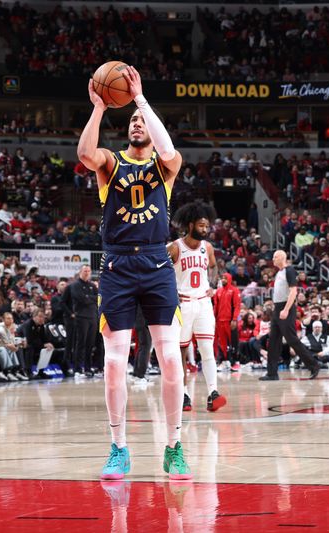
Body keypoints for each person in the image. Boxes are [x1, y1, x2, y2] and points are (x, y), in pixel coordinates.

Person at [77, 65, 192, 480]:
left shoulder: (166, 166)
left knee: (170, 359)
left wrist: (141, 100)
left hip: (158, 264)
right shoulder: (111, 163)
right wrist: (98, 108)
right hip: (118, 264)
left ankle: (174, 446)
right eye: (132, 121)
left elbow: (168, 150)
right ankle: (118, 447)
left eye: (141, 120)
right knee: (113, 362)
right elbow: (85, 155)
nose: (137, 124)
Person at [168, 201, 225, 412]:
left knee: (207, 348)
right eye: (202, 226)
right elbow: (160, 274)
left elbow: (213, 267)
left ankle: (213, 392)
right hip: (182, 303)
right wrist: (170, 294)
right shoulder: (174, 247)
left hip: (203, 303)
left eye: (207, 226)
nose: (205, 229)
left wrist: (213, 285)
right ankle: (183, 394)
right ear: (190, 225)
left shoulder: (207, 247)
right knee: (181, 350)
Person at [261, 250, 321, 380]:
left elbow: (293, 292)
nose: (273, 259)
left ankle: (313, 365)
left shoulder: (289, 270)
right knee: (273, 341)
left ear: (282, 257)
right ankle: (272, 373)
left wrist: (286, 309)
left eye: (275, 257)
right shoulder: (279, 273)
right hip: (277, 308)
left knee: (292, 339)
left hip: (285, 308)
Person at [66, 265, 99, 376]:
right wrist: (90, 298)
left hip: (93, 317)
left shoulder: (92, 285)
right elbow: (79, 298)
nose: (87, 273)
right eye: (85, 271)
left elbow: (98, 298)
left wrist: (88, 298)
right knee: (80, 344)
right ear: (80, 272)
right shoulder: (74, 285)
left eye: (88, 271)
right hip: (81, 317)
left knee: (90, 344)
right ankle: (77, 369)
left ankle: (88, 368)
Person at [213, 273, 240, 371]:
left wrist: (234, 319)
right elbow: (216, 306)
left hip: (230, 321)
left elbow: (237, 306)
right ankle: (224, 362)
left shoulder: (234, 290)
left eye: (225, 278)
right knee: (222, 343)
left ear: (229, 279)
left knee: (233, 342)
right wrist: (214, 319)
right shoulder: (218, 291)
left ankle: (235, 362)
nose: (223, 280)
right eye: (222, 278)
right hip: (220, 321)